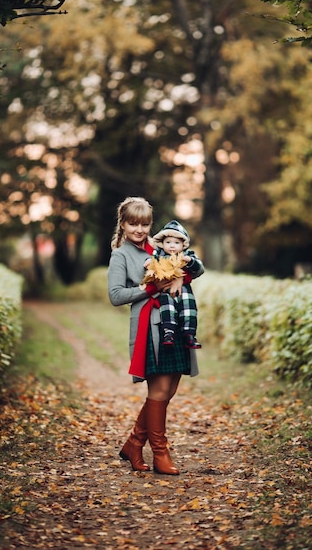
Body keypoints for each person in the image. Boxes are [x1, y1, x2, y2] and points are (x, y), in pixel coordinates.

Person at [107, 197, 204, 475]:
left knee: (169, 389)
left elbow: (196, 267)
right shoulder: (121, 255)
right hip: (151, 328)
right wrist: (150, 288)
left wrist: (182, 277)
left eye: (145, 224)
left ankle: (134, 443)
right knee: (159, 391)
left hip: (176, 323)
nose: (139, 229)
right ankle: (160, 453)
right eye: (133, 223)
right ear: (123, 224)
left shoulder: (162, 245)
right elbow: (115, 296)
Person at [143, 219, 202, 350]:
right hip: (166, 289)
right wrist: (148, 263)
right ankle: (168, 333)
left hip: (184, 289)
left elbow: (198, 267)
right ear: (162, 243)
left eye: (176, 243)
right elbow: (152, 262)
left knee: (188, 309)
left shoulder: (187, 254)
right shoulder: (159, 254)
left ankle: (189, 334)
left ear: (183, 244)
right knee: (167, 309)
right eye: (168, 242)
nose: (172, 246)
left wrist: (190, 261)